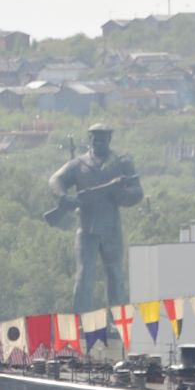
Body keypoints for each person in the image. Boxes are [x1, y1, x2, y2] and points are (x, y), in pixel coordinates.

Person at [47, 123, 144, 314]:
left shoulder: (121, 163)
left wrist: (122, 193)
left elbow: (137, 192)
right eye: (94, 138)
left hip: (112, 229)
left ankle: (118, 322)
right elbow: (55, 180)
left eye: (102, 138)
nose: (98, 142)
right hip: (86, 229)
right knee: (84, 276)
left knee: (115, 275)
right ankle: (81, 321)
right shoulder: (78, 164)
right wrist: (63, 197)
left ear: (109, 139)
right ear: (90, 139)